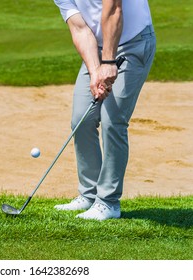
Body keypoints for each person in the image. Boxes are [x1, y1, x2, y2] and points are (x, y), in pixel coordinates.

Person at [53, 0, 156, 220]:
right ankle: (89, 195)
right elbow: (80, 28)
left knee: (113, 121)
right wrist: (94, 71)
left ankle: (108, 202)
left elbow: (114, 9)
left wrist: (108, 62)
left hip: (134, 43)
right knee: (82, 119)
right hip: (98, 50)